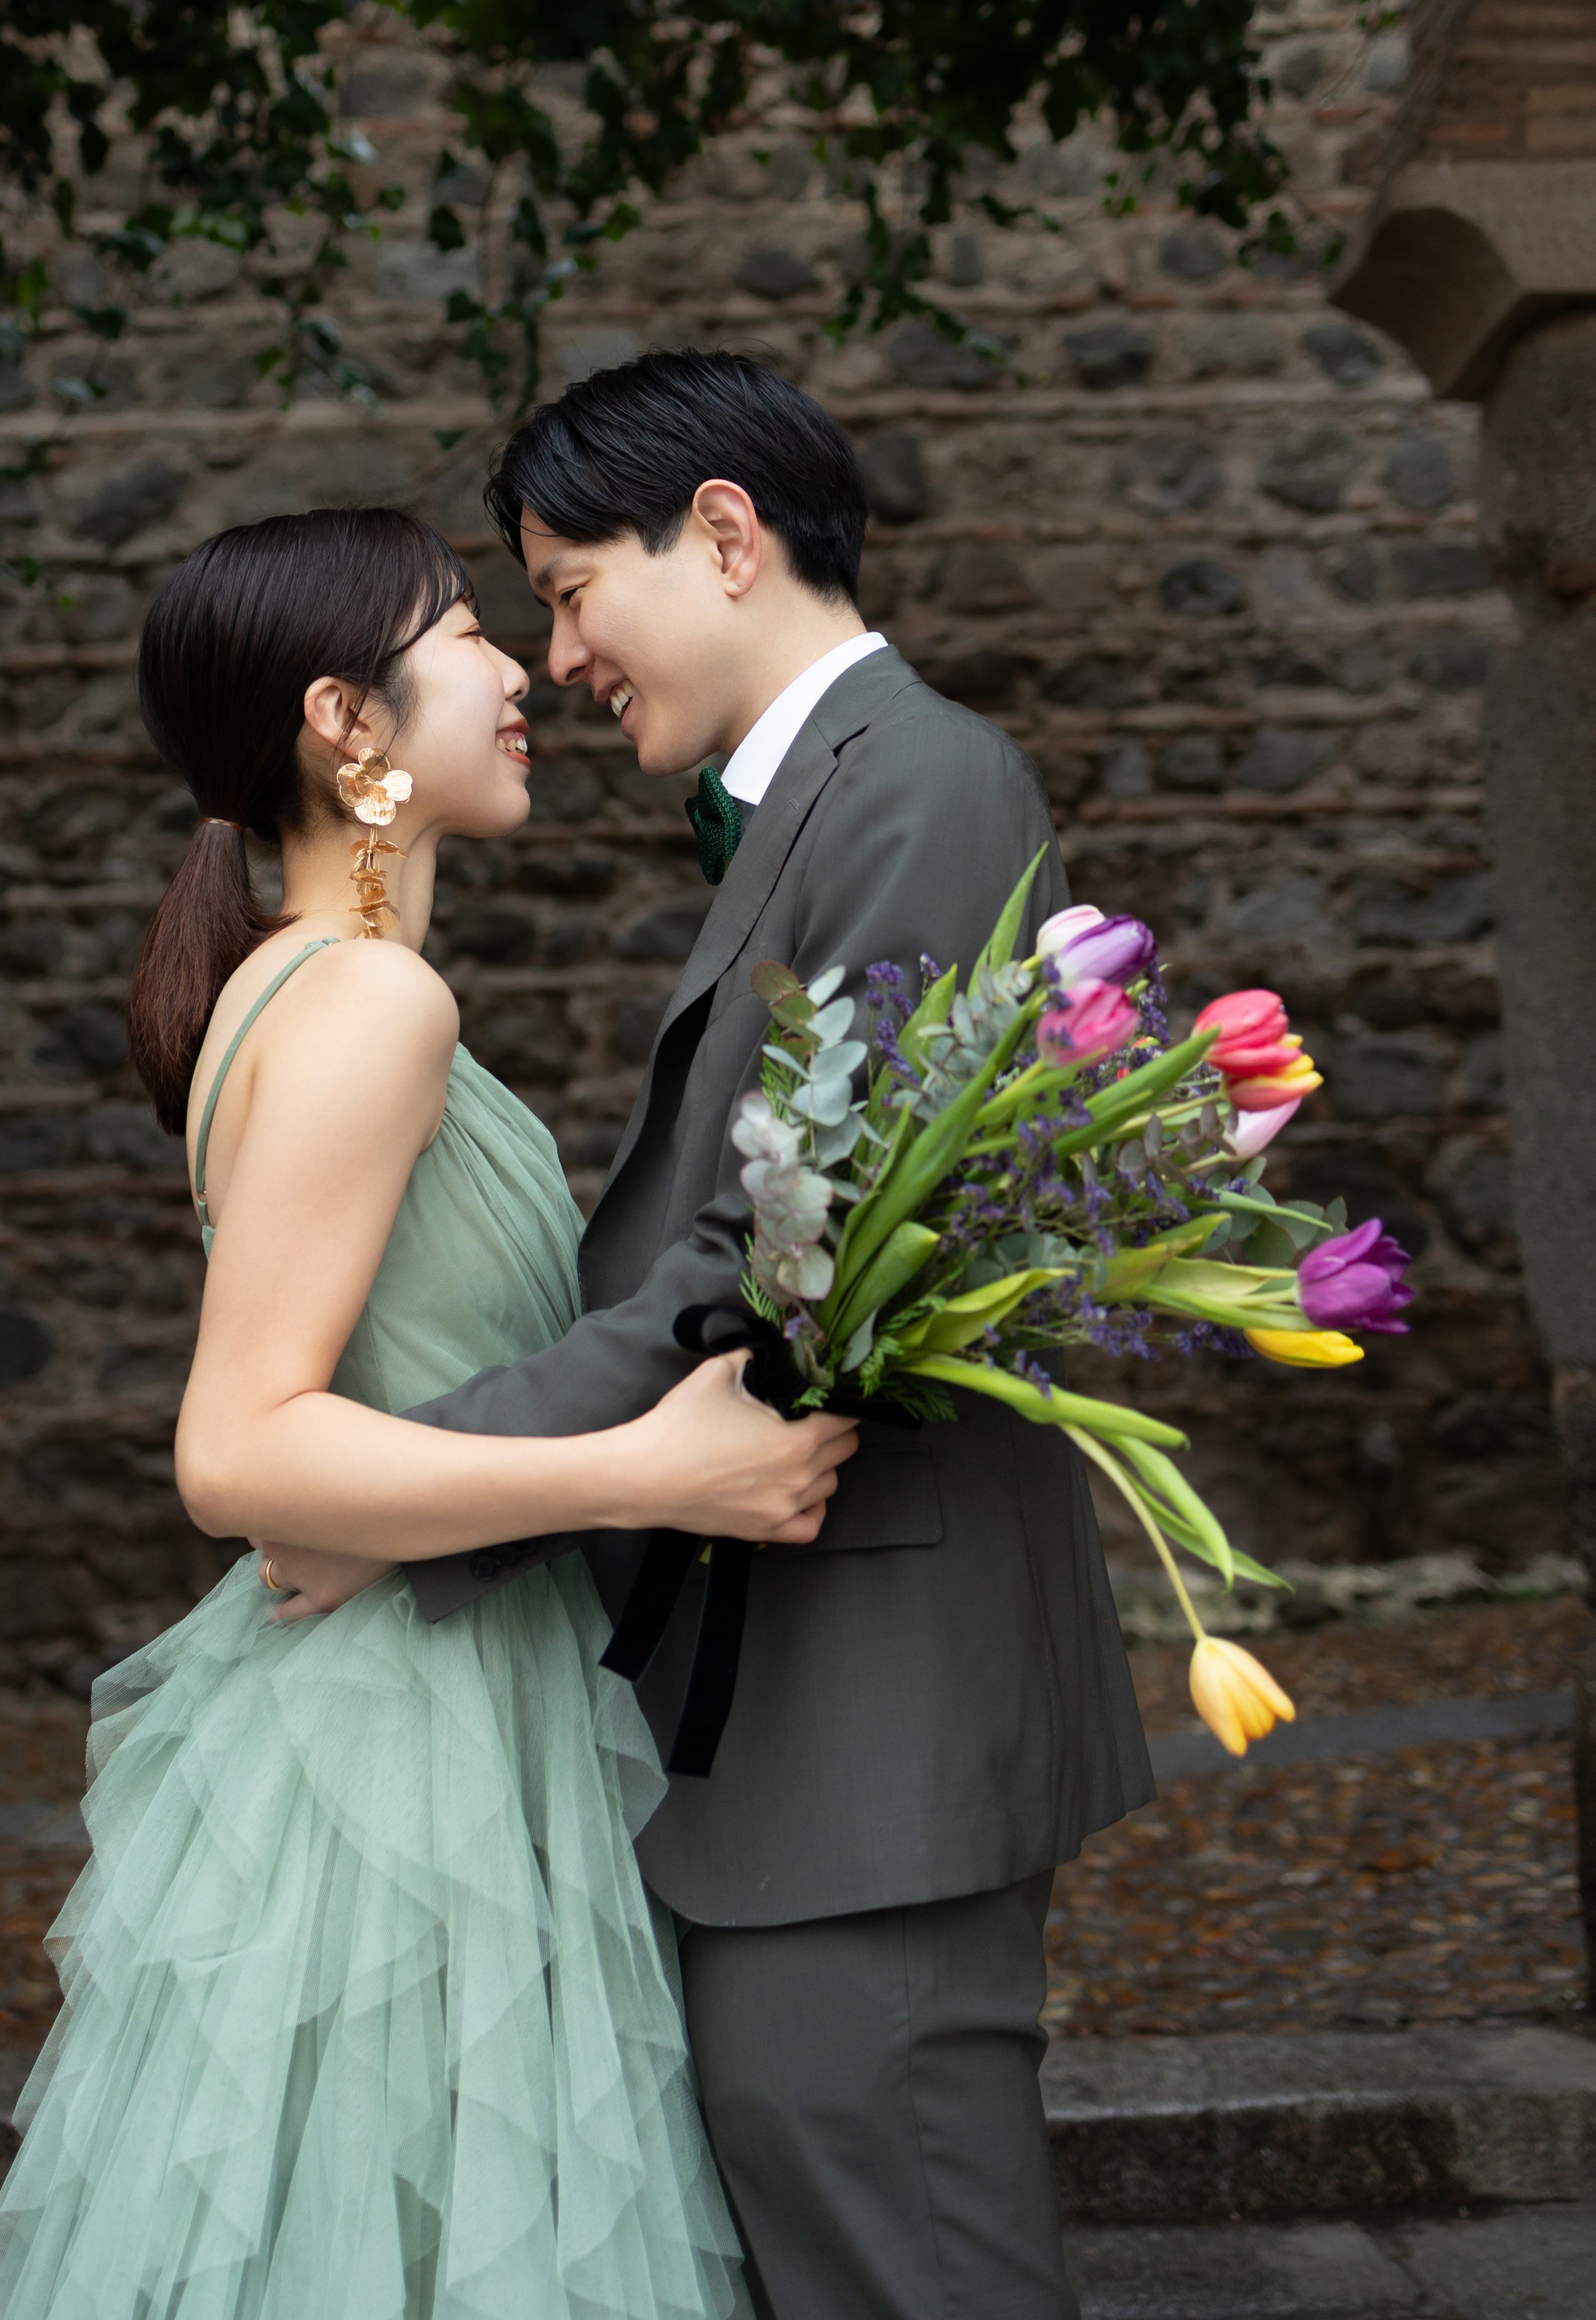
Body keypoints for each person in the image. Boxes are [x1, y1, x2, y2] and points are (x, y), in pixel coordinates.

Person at [269, 354, 1155, 2320]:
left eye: (574, 586)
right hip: (799, 1693)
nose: (560, 653)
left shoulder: (918, 781)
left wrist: (427, 1495)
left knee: (898, 2239)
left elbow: (777, 1266)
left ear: (727, 537)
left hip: (881, 1701)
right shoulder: (825, 798)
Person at [0, 504, 854, 2320]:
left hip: (423, 1688)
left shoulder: (316, 988)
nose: (518, 666)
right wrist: (651, 1463)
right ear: (343, 724)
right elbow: (238, 1449)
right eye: (460, 634)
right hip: (408, 1752)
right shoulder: (368, 1000)